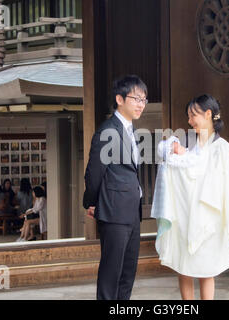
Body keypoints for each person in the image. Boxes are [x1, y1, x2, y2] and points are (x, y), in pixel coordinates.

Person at [151, 94, 229, 300]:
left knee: (206, 269)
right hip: (185, 214)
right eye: (188, 116)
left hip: (209, 216)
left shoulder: (222, 148)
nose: (189, 121)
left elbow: (225, 185)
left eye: (193, 115)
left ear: (208, 114)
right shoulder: (191, 146)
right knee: (183, 265)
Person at [83, 75, 147, 300]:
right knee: (112, 272)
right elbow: (94, 172)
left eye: (144, 100)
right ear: (120, 99)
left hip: (132, 211)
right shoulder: (107, 131)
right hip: (114, 211)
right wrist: (91, 202)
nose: (141, 104)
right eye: (136, 98)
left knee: (128, 272)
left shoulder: (131, 131)